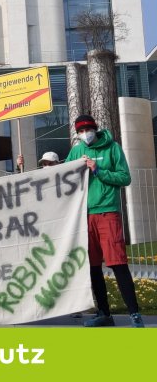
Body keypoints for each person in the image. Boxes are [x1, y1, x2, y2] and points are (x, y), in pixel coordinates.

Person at [65, 114, 144, 328]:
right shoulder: (77, 150)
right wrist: (22, 167)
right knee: (92, 266)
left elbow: (125, 177)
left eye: (87, 130)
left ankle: (134, 314)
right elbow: (61, 176)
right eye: (80, 132)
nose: (84, 135)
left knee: (118, 263)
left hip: (108, 212)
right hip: (84, 215)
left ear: (95, 128)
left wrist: (98, 170)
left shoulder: (112, 148)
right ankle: (104, 313)